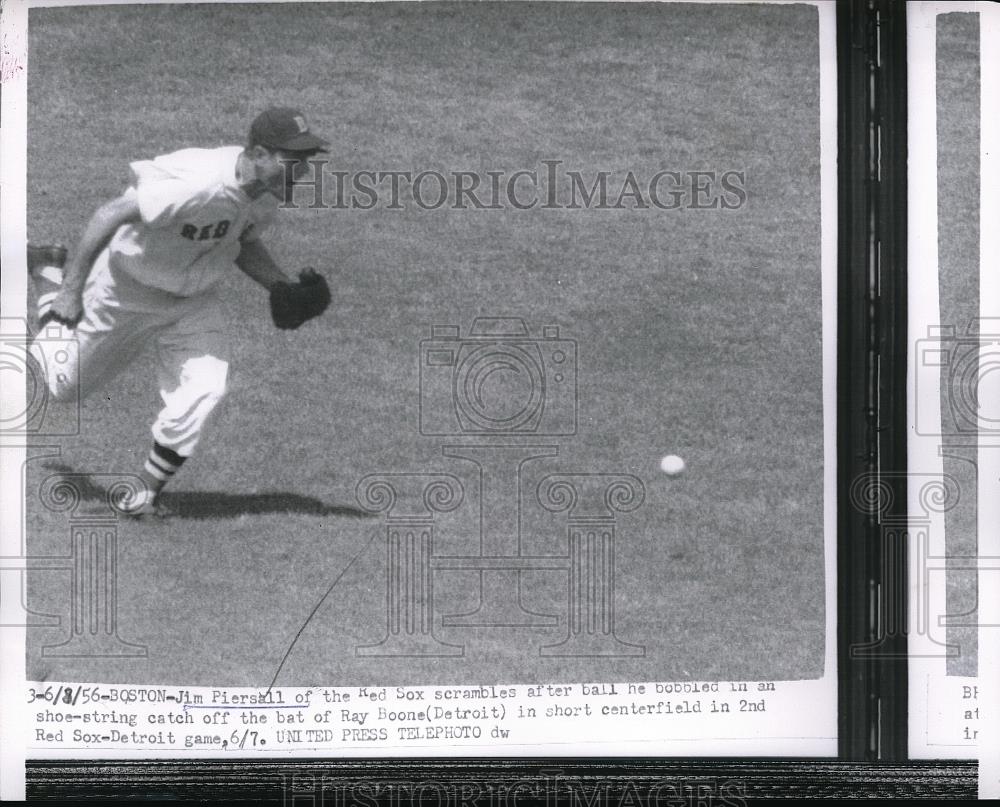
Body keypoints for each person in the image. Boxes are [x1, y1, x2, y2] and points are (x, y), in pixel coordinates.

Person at [28, 107, 330, 517]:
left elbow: (240, 241)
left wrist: (279, 284)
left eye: (306, 161)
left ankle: (143, 492)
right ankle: (47, 274)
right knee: (65, 387)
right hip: (127, 290)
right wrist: (69, 291)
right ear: (259, 154)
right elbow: (109, 215)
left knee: (206, 387)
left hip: (193, 302)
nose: (304, 172)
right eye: (294, 161)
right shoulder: (197, 183)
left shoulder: (264, 196)